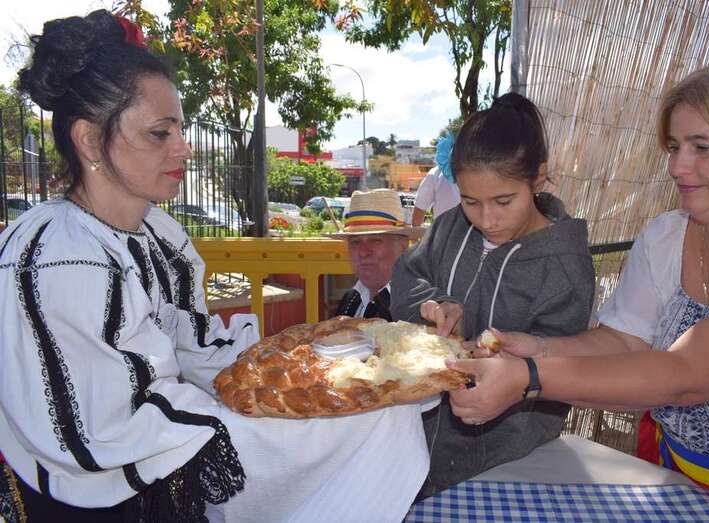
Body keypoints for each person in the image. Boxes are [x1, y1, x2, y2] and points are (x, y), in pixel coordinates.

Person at [0, 12, 431, 523]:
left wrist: (312, 368)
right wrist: (295, 423)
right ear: (90, 140)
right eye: (159, 133)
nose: (183, 148)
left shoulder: (161, 235)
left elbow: (199, 347)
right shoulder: (57, 257)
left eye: (179, 130)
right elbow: (106, 427)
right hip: (92, 502)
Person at [446, 58, 709, 511]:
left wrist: (529, 377)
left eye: (702, 147)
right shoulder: (665, 237)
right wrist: (539, 349)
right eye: (674, 146)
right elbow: (624, 340)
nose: (677, 166)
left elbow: (687, 375)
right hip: (672, 474)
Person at [390, 93, 596, 498]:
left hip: (508, 466)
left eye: (504, 201)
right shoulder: (450, 227)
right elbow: (408, 274)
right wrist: (436, 304)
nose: (487, 219)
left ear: (538, 178)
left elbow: (560, 370)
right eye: (471, 201)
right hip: (415, 450)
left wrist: (510, 370)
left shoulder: (565, 267)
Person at [330, 189, 423, 320]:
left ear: (402, 247)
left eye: (375, 240)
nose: (363, 251)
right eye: (355, 242)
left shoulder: (420, 305)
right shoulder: (350, 299)